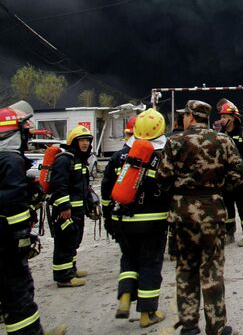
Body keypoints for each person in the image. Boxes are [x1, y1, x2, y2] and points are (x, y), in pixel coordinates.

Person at [156, 100, 243, 335]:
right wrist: (218, 189)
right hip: (212, 213)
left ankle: (189, 326)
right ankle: (216, 326)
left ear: (191, 117)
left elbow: (162, 178)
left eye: (185, 115)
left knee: (186, 268)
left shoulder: (175, 142)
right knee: (212, 269)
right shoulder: (223, 140)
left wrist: (179, 193)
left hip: (182, 216)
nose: (183, 119)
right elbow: (239, 172)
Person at [0, 106, 68, 335]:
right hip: (6, 240)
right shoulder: (10, 161)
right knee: (19, 290)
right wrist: (22, 236)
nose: (27, 138)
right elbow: (13, 204)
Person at [101, 108, 169, 328]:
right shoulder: (161, 156)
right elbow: (168, 188)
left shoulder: (119, 155)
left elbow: (106, 189)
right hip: (152, 222)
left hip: (122, 219)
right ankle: (147, 313)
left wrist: (108, 217)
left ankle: (125, 296)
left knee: (129, 258)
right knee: (150, 263)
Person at [50, 125, 93, 287]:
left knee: (74, 240)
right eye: (81, 140)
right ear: (73, 142)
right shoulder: (64, 160)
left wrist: (89, 203)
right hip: (66, 211)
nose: (85, 144)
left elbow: (82, 186)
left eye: (87, 141)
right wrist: (64, 207)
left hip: (77, 210)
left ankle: (71, 270)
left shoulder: (79, 160)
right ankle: (63, 277)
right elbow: (59, 185)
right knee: (65, 242)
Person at [217, 100, 243, 247]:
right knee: (227, 209)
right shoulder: (220, 135)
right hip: (226, 181)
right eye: (221, 116)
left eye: (224, 116)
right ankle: (230, 234)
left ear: (233, 117)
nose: (221, 119)